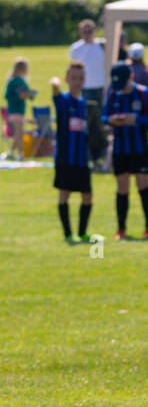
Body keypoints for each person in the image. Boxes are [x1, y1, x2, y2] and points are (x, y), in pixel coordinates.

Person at [101, 62, 148, 239]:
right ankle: (121, 229)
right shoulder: (113, 93)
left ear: (131, 77)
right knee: (122, 187)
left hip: (140, 148)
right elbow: (104, 116)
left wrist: (134, 118)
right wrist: (112, 119)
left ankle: (147, 227)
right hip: (120, 148)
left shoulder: (143, 93)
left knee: (143, 186)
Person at [49, 63, 94, 243]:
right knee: (64, 194)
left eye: (81, 78)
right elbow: (55, 89)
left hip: (82, 159)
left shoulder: (84, 103)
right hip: (65, 158)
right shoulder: (63, 100)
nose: (77, 82)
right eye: (74, 78)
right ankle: (68, 234)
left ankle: (82, 232)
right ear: (67, 79)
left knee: (87, 196)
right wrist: (55, 83)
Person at [70, 20, 108, 171]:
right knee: (84, 124)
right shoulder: (75, 48)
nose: (87, 35)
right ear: (80, 33)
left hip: (99, 88)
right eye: (84, 32)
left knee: (98, 124)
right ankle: (86, 155)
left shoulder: (101, 46)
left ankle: (99, 154)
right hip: (83, 90)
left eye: (90, 31)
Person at [4, 58, 37, 160]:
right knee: (19, 133)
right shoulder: (18, 81)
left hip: (14, 110)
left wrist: (29, 94)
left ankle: (11, 153)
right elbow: (22, 94)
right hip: (17, 111)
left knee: (18, 133)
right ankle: (21, 154)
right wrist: (29, 94)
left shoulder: (12, 80)